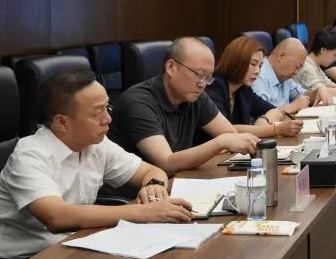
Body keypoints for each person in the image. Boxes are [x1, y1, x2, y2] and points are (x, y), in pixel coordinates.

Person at [0, 70, 194, 259]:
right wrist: (143, 212)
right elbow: (56, 216)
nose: (108, 119)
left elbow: (151, 171)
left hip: (65, 248)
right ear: (62, 122)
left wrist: (154, 187)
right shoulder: (30, 154)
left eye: (107, 107)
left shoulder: (96, 143)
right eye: (97, 112)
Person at [108, 37, 259, 177]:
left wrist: (227, 140)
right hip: (139, 192)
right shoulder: (137, 102)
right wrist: (220, 143)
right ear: (171, 67)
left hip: (177, 182)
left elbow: (230, 134)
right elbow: (166, 162)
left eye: (208, 78)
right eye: (199, 74)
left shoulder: (196, 96)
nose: (202, 84)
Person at [204, 36, 303, 138]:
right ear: (236, 60)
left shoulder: (243, 89)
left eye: (260, 66)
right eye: (253, 64)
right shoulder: (213, 87)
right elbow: (225, 129)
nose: (257, 71)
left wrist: (264, 120)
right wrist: (275, 129)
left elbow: (274, 110)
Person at [251, 37, 332, 111]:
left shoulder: (284, 76)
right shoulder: (257, 75)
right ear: (281, 56)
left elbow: (302, 96)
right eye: (297, 67)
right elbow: (263, 113)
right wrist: (293, 107)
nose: (296, 73)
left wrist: (318, 91)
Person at [296, 28, 336, 100]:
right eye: (335, 54)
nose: (335, 59)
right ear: (323, 50)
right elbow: (321, 93)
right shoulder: (306, 67)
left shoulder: (315, 65)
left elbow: (329, 84)